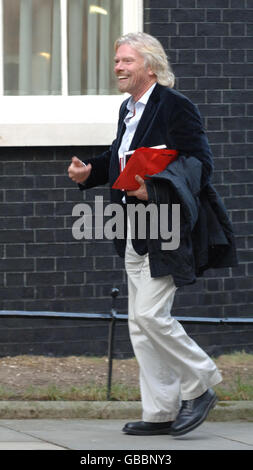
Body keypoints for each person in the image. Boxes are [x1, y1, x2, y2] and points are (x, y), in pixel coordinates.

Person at [68, 32, 237, 437]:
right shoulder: (128, 109)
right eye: (117, 61)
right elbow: (120, 158)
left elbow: (199, 164)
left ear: (150, 66)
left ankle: (200, 385)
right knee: (138, 325)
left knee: (150, 315)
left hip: (168, 227)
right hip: (133, 229)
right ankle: (160, 410)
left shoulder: (176, 108)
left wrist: (155, 188)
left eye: (126, 61)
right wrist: (91, 171)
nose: (118, 68)